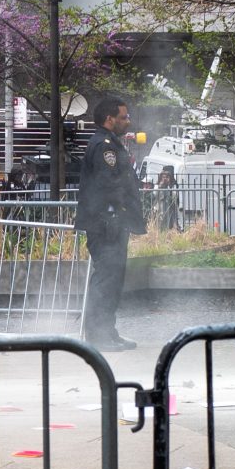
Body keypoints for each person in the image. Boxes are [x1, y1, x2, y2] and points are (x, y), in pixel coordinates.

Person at [74, 95, 146, 352]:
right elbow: (109, 185)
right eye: (124, 117)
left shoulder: (111, 144)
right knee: (105, 280)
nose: (128, 121)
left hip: (112, 222)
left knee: (114, 279)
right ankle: (97, 336)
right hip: (106, 224)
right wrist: (116, 215)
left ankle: (108, 332)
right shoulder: (104, 146)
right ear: (109, 119)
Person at [152, 166, 182, 231]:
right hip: (160, 207)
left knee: (170, 222)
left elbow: (174, 196)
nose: (165, 179)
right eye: (163, 177)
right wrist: (160, 186)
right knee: (160, 222)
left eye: (167, 177)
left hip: (170, 208)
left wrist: (169, 186)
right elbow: (155, 194)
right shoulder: (157, 185)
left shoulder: (173, 185)